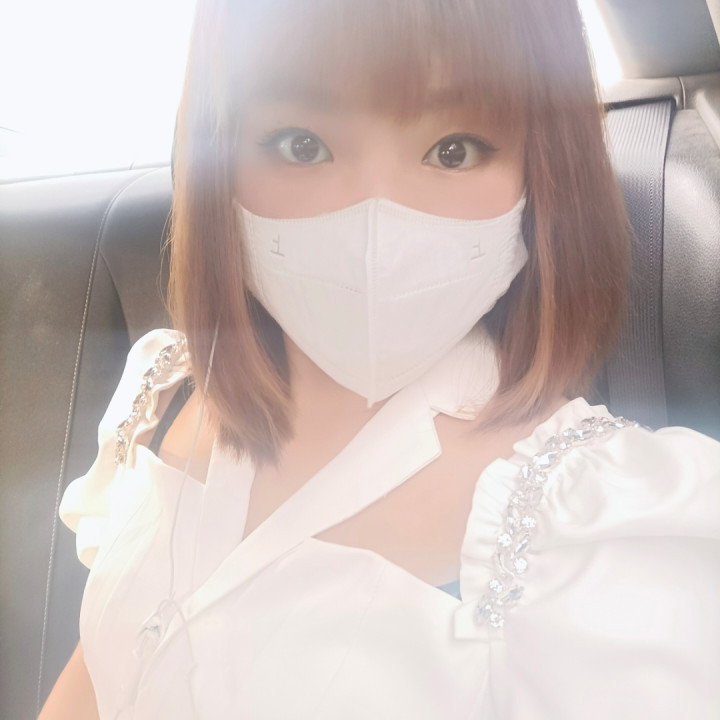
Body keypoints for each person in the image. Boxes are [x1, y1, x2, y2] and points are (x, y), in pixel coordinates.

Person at [40, 0, 720, 718]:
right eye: (302, 144)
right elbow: (98, 675)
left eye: (454, 150)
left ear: (542, 172)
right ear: (218, 156)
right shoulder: (163, 389)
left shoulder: (619, 527)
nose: (376, 223)